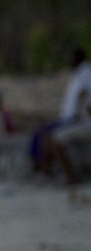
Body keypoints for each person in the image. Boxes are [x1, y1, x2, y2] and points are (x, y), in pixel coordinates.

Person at [33, 47, 91, 182]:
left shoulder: (85, 74)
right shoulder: (79, 74)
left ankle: (69, 176)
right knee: (43, 135)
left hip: (81, 122)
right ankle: (44, 170)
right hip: (74, 119)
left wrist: (79, 114)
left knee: (51, 139)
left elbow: (83, 100)